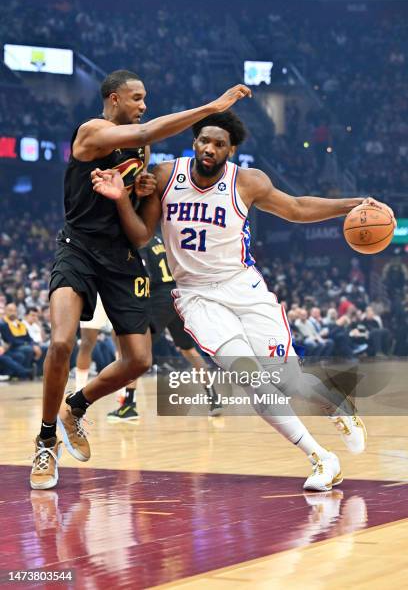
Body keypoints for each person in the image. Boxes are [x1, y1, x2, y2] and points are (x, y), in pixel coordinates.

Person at [92, 110, 395, 491]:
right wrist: (129, 198)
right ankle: (321, 458)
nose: (209, 148)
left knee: (289, 381)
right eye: (204, 140)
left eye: (219, 144)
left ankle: (339, 406)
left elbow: (296, 208)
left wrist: (348, 205)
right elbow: (139, 235)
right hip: (197, 296)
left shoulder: (247, 182)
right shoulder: (168, 176)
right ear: (194, 142)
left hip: (243, 289)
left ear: (230, 150)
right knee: (250, 378)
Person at [30, 69, 251, 491]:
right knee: (61, 342)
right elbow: (148, 127)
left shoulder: (142, 151)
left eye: (145, 98)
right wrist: (212, 107)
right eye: (136, 98)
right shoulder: (91, 132)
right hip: (78, 249)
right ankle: (45, 440)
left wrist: (140, 195)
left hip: (121, 258)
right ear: (114, 99)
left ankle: (75, 407)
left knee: (139, 360)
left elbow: (141, 235)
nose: (143, 105)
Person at [107, 234, 222, 421]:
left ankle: (129, 406)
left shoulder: (140, 242)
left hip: (159, 298)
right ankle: (214, 398)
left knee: (135, 352)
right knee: (188, 350)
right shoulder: (163, 241)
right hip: (178, 296)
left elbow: (143, 275)